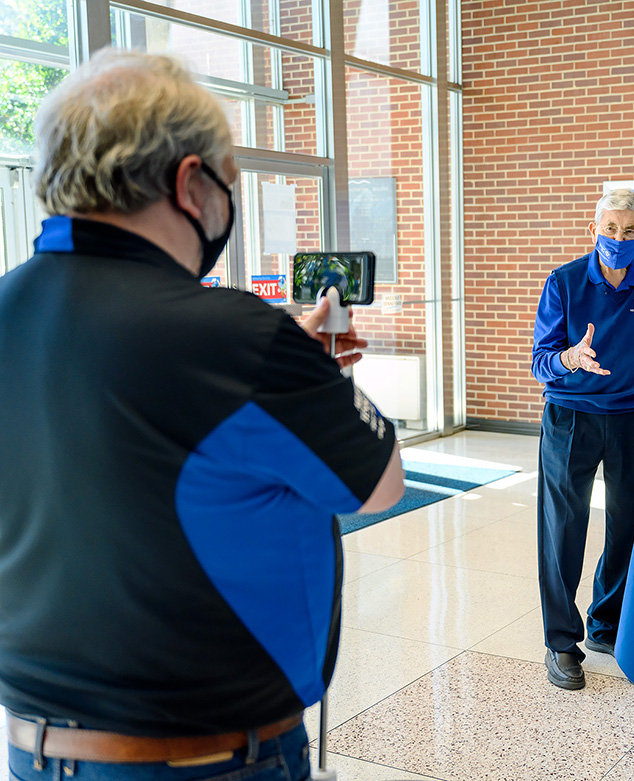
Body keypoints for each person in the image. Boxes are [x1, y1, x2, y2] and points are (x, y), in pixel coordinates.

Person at [0, 49, 405, 780]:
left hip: (34, 748)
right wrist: (300, 363)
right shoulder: (234, 334)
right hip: (206, 756)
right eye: (229, 181)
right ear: (191, 182)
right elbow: (379, 484)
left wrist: (279, 356)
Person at [531, 188, 634, 690]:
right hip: (571, 417)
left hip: (633, 416)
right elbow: (541, 360)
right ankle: (560, 642)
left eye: (629, 231)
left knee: (628, 526)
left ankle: (606, 622)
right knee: (563, 530)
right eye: (610, 229)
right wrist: (571, 358)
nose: (619, 239)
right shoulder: (565, 282)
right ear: (593, 229)